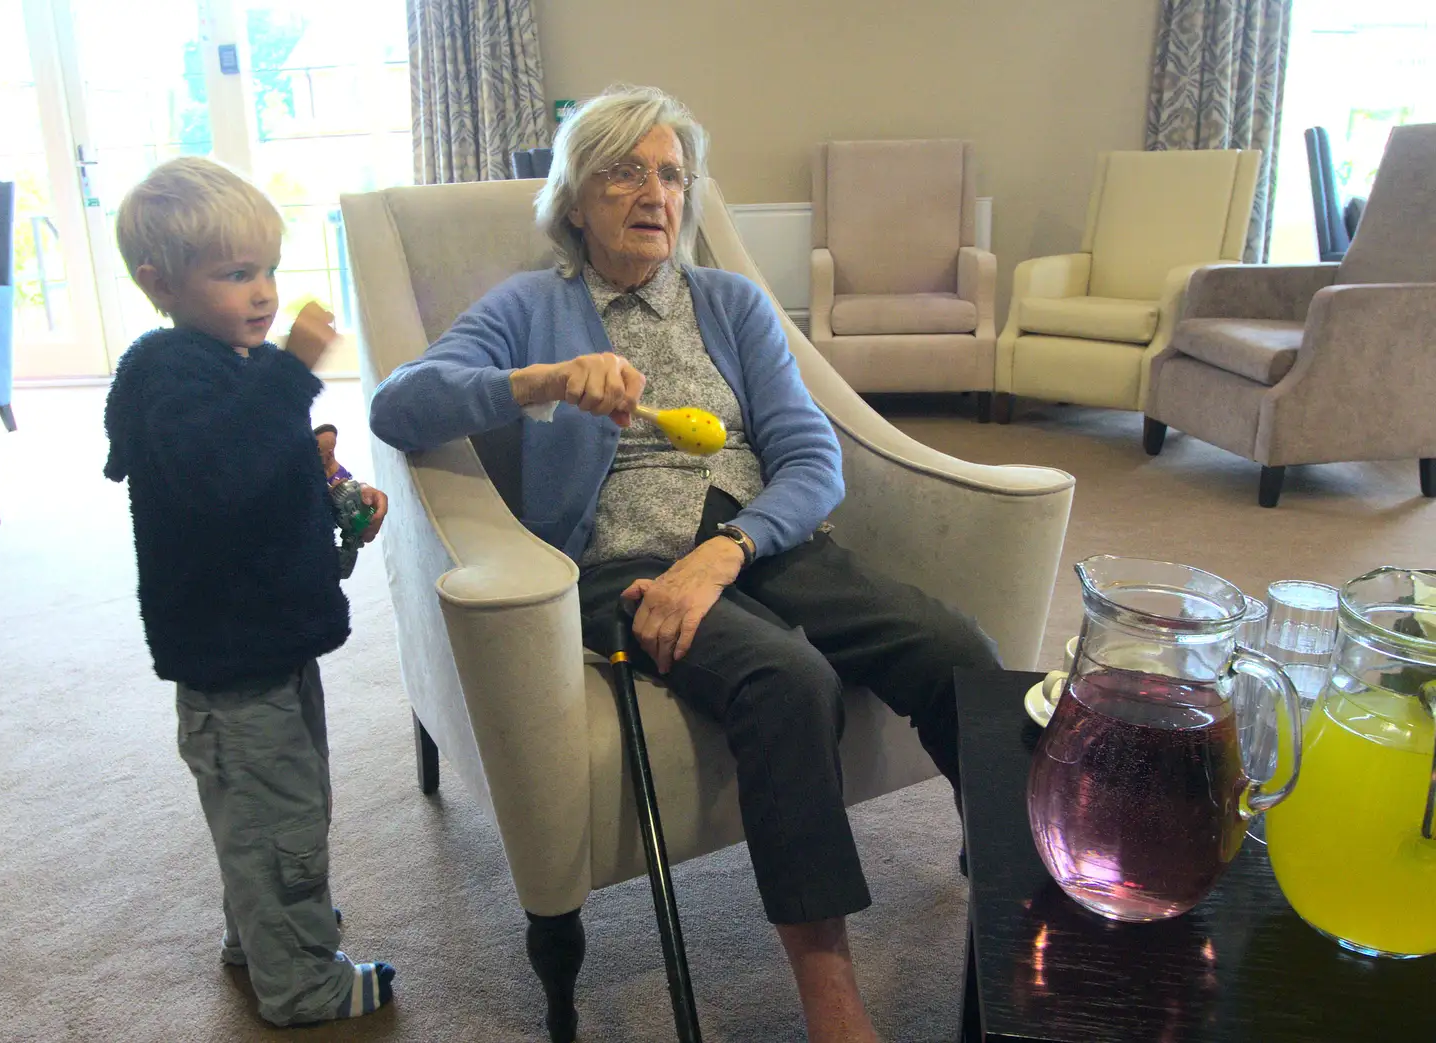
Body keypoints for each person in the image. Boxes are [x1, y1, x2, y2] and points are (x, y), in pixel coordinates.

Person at [369, 85, 998, 1043]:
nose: (653, 190)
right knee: (789, 680)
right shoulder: (534, 307)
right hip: (618, 563)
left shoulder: (734, 302)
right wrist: (536, 383)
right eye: (624, 170)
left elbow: (811, 459)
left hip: (755, 540)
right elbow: (399, 405)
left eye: (670, 172)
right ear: (576, 200)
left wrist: (728, 548)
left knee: (959, 647)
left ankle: (1020, 899)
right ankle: (834, 1005)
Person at [102, 156, 393, 1027]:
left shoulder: (232, 365)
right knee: (280, 818)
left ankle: (259, 929)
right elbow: (220, 471)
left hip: (272, 637)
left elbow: (268, 466)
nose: (263, 292)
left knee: (278, 806)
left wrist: (334, 493)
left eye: (267, 268)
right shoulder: (172, 377)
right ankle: (300, 980)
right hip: (232, 659)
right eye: (234, 274)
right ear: (160, 284)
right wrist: (292, 370)